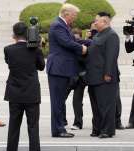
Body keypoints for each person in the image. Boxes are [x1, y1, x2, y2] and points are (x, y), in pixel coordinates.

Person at [46, 3, 87, 138]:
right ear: (66, 13)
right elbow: (67, 43)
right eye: (74, 15)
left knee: (59, 101)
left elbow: (73, 40)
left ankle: (59, 128)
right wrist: (82, 48)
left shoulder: (62, 25)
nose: (75, 18)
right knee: (57, 101)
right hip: (58, 68)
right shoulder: (58, 25)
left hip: (62, 68)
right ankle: (58, 129)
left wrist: (91, 42)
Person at [4, 22, 45, 151]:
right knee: (33, 127)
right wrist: (39, 47)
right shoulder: (36, 50)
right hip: (31, 93)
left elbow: (8, 62)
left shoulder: (8, 49)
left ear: (14, 35)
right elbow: (41, 67)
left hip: (14, 93)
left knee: (13, 126)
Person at [86, 12, 120, 138]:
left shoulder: (111, 35)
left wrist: (108, 73)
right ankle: (97, 128)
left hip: (104, 77)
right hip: (93, 76)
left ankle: (107, 130)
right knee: (96, 105)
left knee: (106, 105)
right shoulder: (98, 35)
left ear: (105, 22)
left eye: (97, 21)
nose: (95, 23)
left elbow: (111, 57)